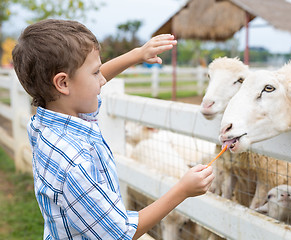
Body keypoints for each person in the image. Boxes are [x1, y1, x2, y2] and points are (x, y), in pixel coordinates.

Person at [12, 19, 215, 240]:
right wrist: (182, 190)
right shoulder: (74, 163)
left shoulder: (47, 121)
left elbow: (82, 84)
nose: (102, 80)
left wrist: (136, 55)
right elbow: (120, 233)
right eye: (96, 72)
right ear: (62, 83)